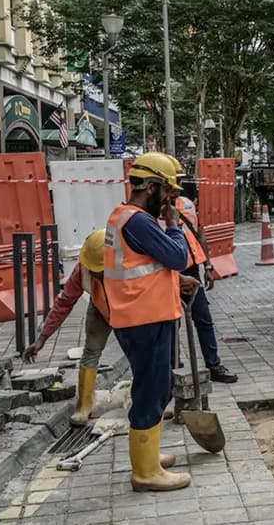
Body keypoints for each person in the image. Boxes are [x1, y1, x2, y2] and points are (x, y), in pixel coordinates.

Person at [104, 152, 197, 492]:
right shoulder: (139, 221)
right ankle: (145, 472)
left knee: (158, 386)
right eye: (169, 192)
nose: (171, 201)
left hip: (141, 314)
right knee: (151, 390)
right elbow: (178, 256)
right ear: (152, 187)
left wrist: (175, 281)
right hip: (144, 317)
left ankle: (150, 456)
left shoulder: (125, 217)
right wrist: (174, 226)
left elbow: (147, 266)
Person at [23, 230, 115, 426]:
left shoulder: (127, 267)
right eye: (93, 269)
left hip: (131, 313)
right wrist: (42, 338)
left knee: (140, 354)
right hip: (100, 308)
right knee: (91, 351)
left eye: (100, 270)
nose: (96, 273)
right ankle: (84, 405)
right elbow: (64, 303)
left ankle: (150, 401)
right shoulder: (82, 271)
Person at [165, 156, 238, 384]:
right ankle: (173, 367)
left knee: (203, 318)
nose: (177, 186)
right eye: (174, 181)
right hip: (167, 274)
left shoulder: (186, 204)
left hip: (191, 270)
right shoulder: (152, 212)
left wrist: (207, 265)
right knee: (172, 322)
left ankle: (213, 365)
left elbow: (199, 234)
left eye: (179, 181)